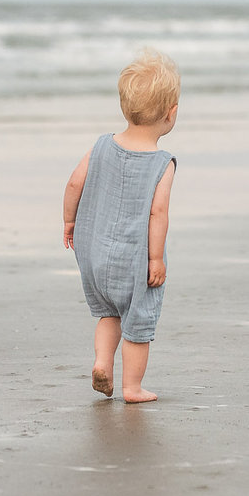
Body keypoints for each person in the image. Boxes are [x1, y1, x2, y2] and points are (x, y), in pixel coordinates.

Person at [63, 50, 180, 403]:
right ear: (171, 113)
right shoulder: (162, 163)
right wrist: (156, 259)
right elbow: (158, 214)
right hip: (134, 262)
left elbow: (73, 185)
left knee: (108, 314)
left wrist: (69, 221)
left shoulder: (101, 145)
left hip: (95, 255)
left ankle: (102, 362)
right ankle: (131, 388)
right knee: (137, 325)